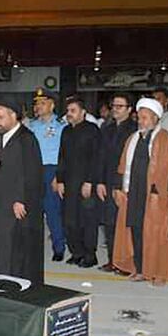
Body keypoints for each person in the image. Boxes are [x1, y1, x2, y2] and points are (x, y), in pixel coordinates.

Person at [0, 99, 44, 284]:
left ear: (14, 115)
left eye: (1, 117)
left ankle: (12, 282)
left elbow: (33, 174)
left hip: (15, 203)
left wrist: (21, 200)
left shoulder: (26, 139)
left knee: (12, 245)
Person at [112, 98, 168, 284]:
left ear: (156, 118)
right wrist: (118, 188)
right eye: (139, 118)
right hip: (133, 192)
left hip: (154, 195)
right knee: (137, 231)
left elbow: (166, 167)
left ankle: (158, 273)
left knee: (156, 233)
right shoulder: (133, 138)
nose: (141, 121)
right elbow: (122, 165)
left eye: (145, 118)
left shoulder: (164, 137)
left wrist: (158, 192)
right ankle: (140, 269)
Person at [56, 96, 102, 267]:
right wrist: (60, 180)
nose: (69, 114)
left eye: (73, 111)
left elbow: (96, 158)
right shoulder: (66, 131)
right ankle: (76, 252)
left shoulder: (92, 130)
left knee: (87, 220)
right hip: (68, 182)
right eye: (68, 111)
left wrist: (90, 181)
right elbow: (61, 156)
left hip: (85, 183)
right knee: (69, 220)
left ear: (83, 112)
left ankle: (90, 255)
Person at [27, 88, 68, 261]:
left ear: (52, 105)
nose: (39, 106)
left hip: (51, 169)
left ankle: (59, 247)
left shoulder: (61, 125)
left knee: (53, 211)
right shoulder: (31, 126)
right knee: (33, 211)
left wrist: (58, 176)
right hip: (34, 170)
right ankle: (33, 247)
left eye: (43, 103)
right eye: (37, 103)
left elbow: (64, 154)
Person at [98, 93, 137, 272]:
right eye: (114, 106)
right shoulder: (107, 129)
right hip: (107, 181)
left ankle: (127, 263)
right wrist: (99, 182)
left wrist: (121, 185)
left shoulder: (135, 131)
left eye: (120, 106)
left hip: (126, 184)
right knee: (109, 223)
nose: (115, 109)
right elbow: (100, 158)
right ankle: (113, 259)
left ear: (129, 110)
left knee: (125, 225)